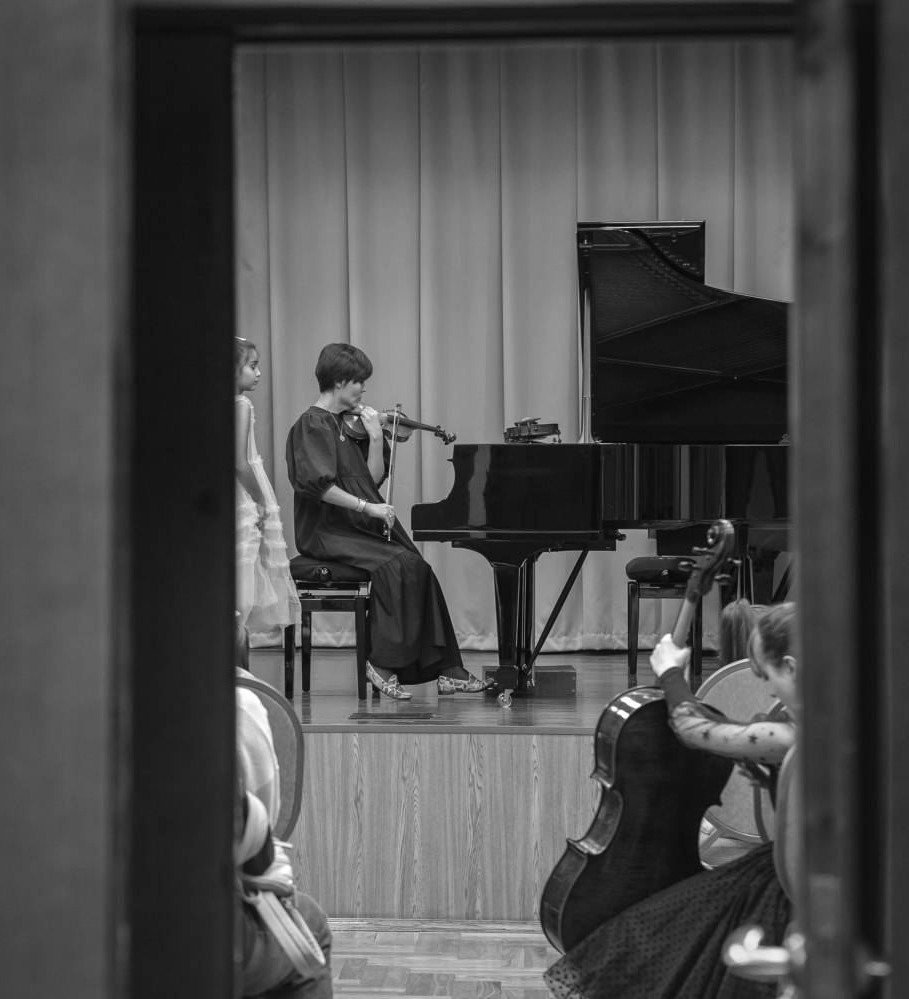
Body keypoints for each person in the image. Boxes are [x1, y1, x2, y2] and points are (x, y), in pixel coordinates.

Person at [544, 602, 800, 999]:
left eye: (768, 677)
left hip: (792, 884)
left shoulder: (791, 734)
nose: (768, 689)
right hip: (793, 867)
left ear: (793, 668)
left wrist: (670, 673)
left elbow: (692, 728)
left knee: (652, 939)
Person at [284, 342, 487, 700]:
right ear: (339, 381)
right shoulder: (311, 424)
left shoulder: (352, 426)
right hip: (326, 530)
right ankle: (382, 664)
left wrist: (377, 438)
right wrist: (368, 508)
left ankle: (447, 670)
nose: (364, 389)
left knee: (417, 566)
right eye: (358, 381)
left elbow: (371, 479)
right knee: (395, 566)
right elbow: (320, 487)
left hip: (355, 526)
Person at [235, 667, 333, 998]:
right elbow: (265, 827)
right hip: (199, 930)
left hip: (100, 925)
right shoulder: (235, 703)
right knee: (310, 923)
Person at [235, 339, 301, 643]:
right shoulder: (241, 404)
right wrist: (260, 500)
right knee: (243, 584)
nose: (258, 373)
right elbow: (240, 461)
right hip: (243, 495)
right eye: (252, 366)